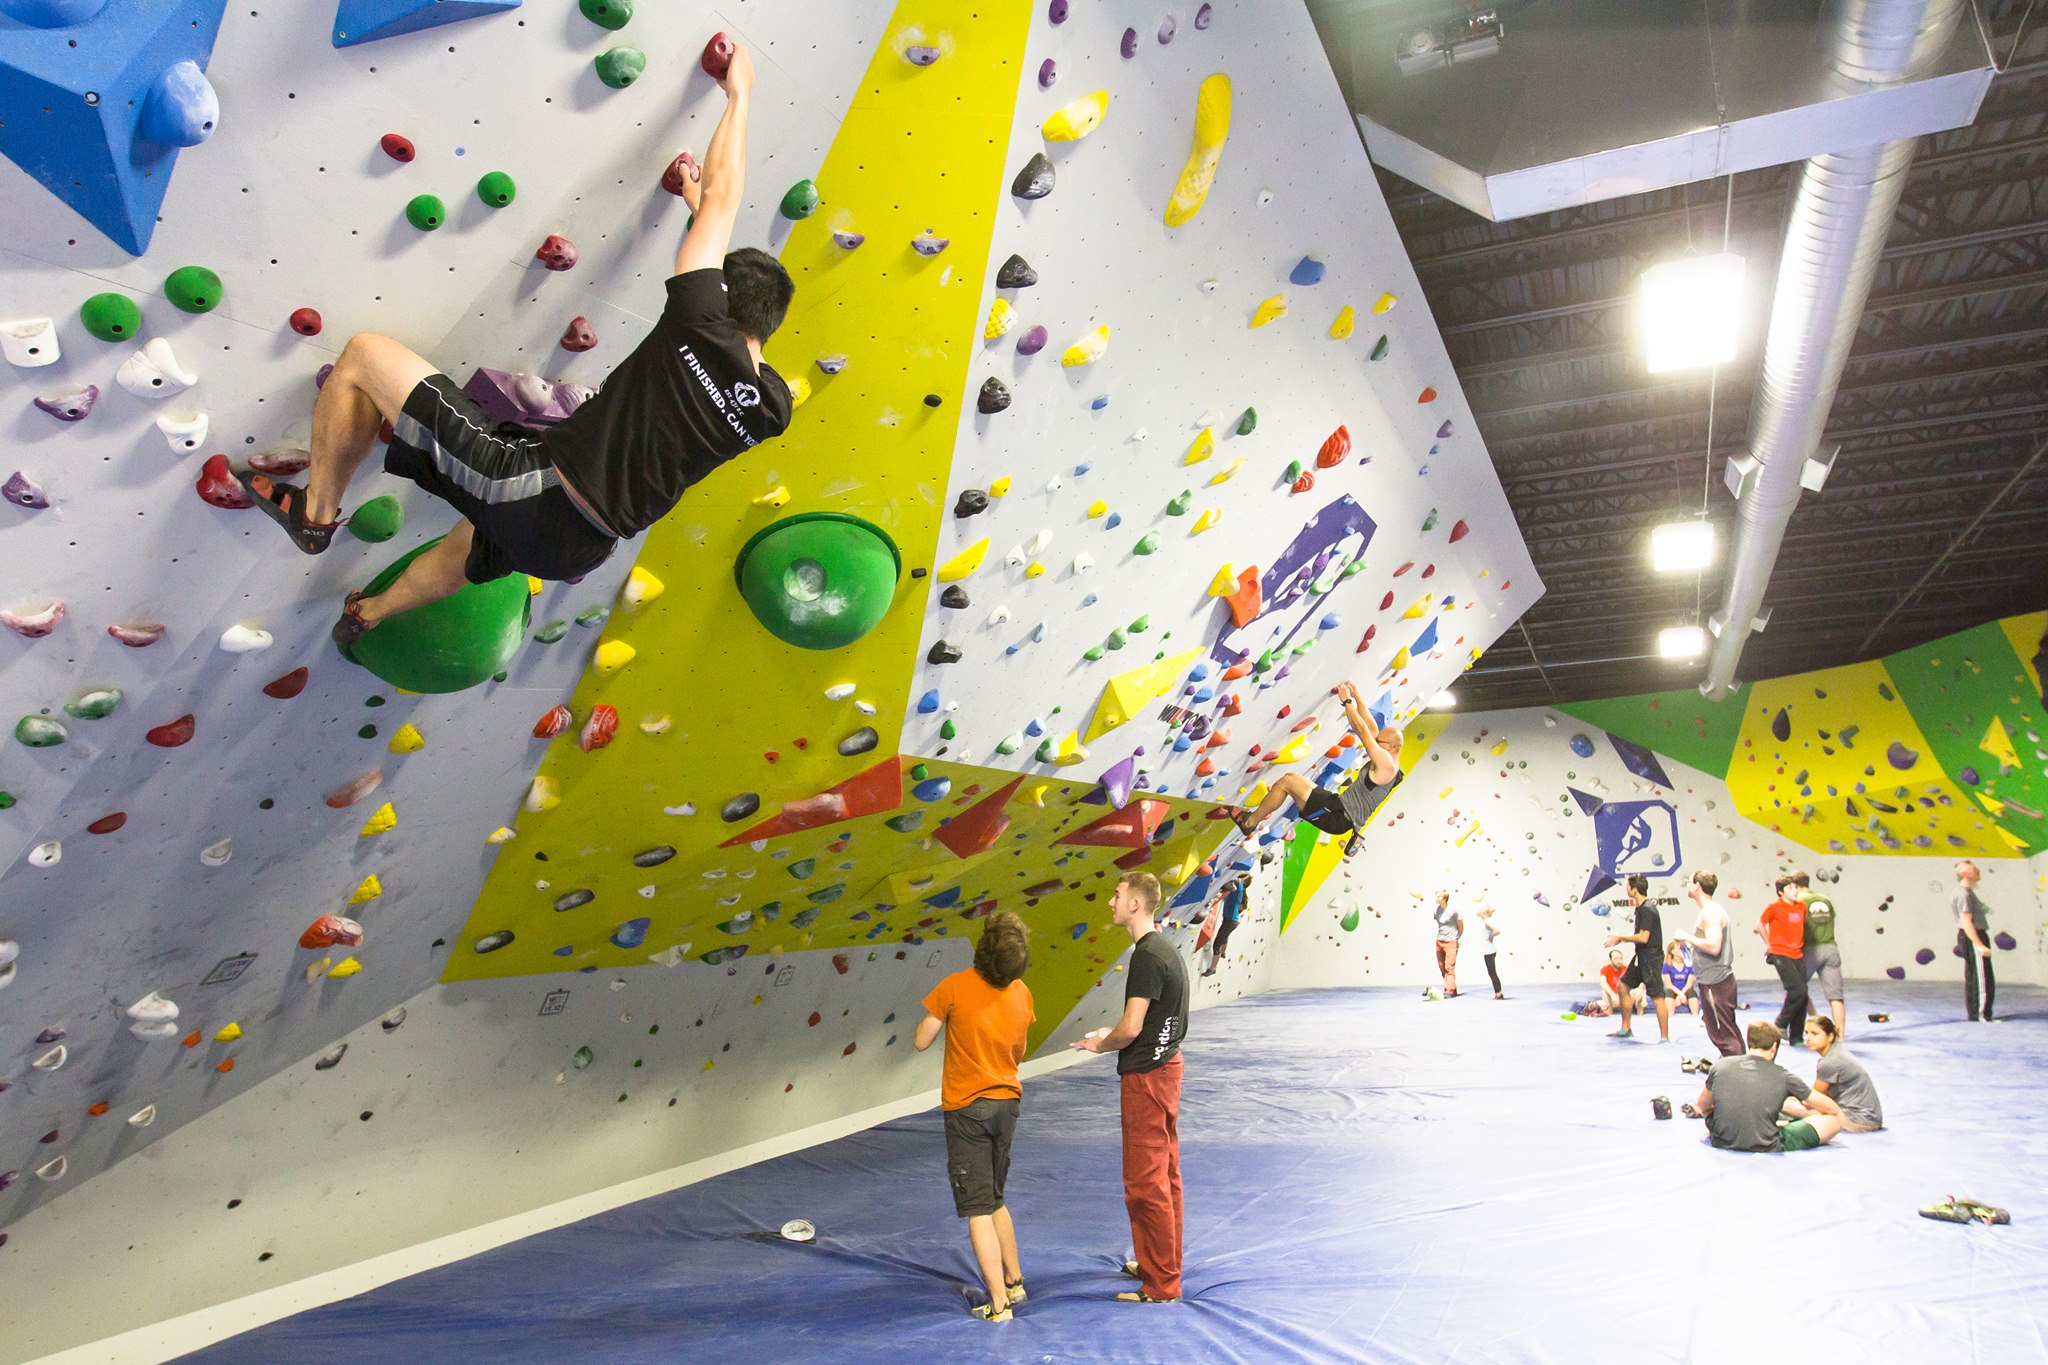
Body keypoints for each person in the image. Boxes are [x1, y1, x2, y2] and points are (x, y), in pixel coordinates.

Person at [239, 42, 796, 648]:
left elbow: (722, 203)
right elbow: (723, 307)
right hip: (582, 547)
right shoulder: (772, 409)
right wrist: (701, 212)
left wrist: (738, 93)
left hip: (536, 489)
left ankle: (314, 516)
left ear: (718, 293)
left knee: (364, 357)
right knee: (469, 545)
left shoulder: (698, 321)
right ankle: (365, 617)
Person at [1072, 871, 1189, 1305]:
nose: (1111, 902)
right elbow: (1151, 1022)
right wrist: (1116, 1034)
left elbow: (1132, 1027)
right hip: (1164, 1067)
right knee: (1165, 1176)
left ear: (1136, 904)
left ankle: (1162, 1285)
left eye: (1117, 896)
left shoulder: (1146, 956)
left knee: (1146, 1182)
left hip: (1147, 1076)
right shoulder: (1163, 950)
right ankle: (1161, 1263)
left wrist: (1102, 1042)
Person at [914, 912, 1036, 1321]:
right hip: (1007, 1104)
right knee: (996, 1198)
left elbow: (921, 1040)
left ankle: (998, 1304)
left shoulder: (954, 986)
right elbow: (1017, 1048)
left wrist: (941, 1015)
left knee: (978, 1208)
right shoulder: (1023, 994)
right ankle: (1015, 1281)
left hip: (968, 1109)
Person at [1235, 681, 1401, 855]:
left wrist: (1347, 702)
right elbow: (1372, 729)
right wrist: (1357, 697)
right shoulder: (1388, 755)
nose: (1375, 742)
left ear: (1391, 747)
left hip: (1337, 817)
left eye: (1379, 742)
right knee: (1290, 778)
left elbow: (1362, 731)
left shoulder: (1387, 766)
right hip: (1336, 806)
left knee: (1287, 782)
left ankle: (1249, 823)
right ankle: (1253, 820)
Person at [1693, 1022, 1845, 1152]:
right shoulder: (1784, 1076)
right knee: (1833, 1121)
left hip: (1722, 1139)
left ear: (1749, 1044)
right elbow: (1832, 1109)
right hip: (1767, 1143)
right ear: (1774, 1048)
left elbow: (1702, 1105)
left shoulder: (1721, 1065)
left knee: (1712, 1109)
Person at [1670, 872, 1742, 1056]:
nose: (1687, 885)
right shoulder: (1710, 910)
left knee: (1722, 1035)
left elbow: (1714, 946)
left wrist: (1687, 936)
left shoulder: (1710, 912)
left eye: (1689, 882)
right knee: (1727, 1031)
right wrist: (1691, 943)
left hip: (1715, 982)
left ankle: (1737, 1074)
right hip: (1714, 980)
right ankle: (1738, 1068)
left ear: (1697, 886)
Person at [1604, 874, 1671, 1041]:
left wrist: (1620, 937)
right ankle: (1625, 1028)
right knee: (1623, 986)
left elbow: (1643, 937)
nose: (1626, 889)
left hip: (1651, 957)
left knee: (1657, 996)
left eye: (1628, 886)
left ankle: (1664, 1037)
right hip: (1641, 956)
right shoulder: (1640, 908)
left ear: (1634, 889)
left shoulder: (1648, 909)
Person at [1803, 1017, 1882, 1132]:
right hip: (1868, 1118)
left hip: (1858, 1120)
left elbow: (1810, 1099)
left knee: (1789, 1106)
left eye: (1814, 1034)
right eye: (1806, 1033)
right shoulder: (1837, 1053)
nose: (1808, 1038)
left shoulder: (1830, 1062)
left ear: (1830, 1037)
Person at [1793, 871, 1846, 1039]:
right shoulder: (1825, 899)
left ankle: (1813, 1019)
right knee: (1836, 997)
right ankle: (1840, 1035)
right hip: (1830, 948)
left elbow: (1795, 927)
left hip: (1810, 950)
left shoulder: (1798, 902)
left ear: (1795, 886)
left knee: (1798, 988)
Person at [1757, 876, 1809, 1042]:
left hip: (1797, 953)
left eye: (1795, 888)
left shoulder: (1802, 906)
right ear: (1781, 892)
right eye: (1790, 888)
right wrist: (1770, 945)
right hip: (1780, 953)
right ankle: (1780, 1023)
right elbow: (1759, 924)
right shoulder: (1774, 907)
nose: (1794, 891)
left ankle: (1796, 1035)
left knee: (1804, 995)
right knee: (1797, 990)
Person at [1953, 861, 1996, 1022]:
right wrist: (1979, 944)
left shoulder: (1967, 892)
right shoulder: (1963, 894)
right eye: (1972, 868)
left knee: (1975, 976)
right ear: (1965, 874)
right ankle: (1981, 1014)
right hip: (1973, 936)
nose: (1977, 869)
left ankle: (1976, 1013)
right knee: (1982, 977)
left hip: (1972, 935)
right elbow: (1966, 921)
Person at [1201, 872, 1251, 977]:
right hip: (1230, 920)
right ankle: (1223, 952)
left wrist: (1244, 876)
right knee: (1224, 936)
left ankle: (1213, 968)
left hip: (1231, 920)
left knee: (1217, 943)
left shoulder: (1239, 886)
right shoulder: (1236, 888)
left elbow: (1238, 880)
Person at [1431, 890, 1463, 997]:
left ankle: (1449, 990)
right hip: (1439, 941)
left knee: (1449, 967)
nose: (1436, 898)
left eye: (1438, 896)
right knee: (1442, 967)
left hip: (1451, 942)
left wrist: (1456, 939)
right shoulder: (1437, 910)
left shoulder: (1454, 911)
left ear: (1444, 898)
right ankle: (1452, 989)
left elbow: (1460, 927)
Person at [1598, 947, 1641, 1015]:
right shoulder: (1605, 969)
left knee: (1639, 992)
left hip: (1625, 995)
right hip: (1612, 996)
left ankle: (1640, 1015)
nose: (1619, 961)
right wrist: (1613, 995)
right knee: (1604, 993)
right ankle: (1609, 1015)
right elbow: (1603, 983)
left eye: (1620, 958)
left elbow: (1636, 983)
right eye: (1616, 959)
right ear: (1610, 960)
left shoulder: (1627, 969)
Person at [1662, 941, 1697, 1015]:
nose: (1682, 950)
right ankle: (1670, 1017)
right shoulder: (1667, 966)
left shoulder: (1689, 965)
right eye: (1679, 948)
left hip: (1686, 990)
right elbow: (1668, 985)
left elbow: (1689, 984)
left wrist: (1681, 995)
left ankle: (1695, 1016)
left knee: (1692, 992)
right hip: (1673, 990)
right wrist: (1679, 994)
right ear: (1673, 952)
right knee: (1669, 993)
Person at [1477, 906, 1504, 999]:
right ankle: (1498, 993)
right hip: (1488, 950)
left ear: (1484, 912)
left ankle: (1499, 993)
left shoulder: (1487, 921)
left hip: (1489, 950)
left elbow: (1498, 930)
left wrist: (1491, 936)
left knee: (1492, 973)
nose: (1478, 910)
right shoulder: (1486, 921)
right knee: (1492, 972)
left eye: (1480, 909)